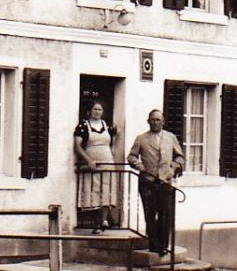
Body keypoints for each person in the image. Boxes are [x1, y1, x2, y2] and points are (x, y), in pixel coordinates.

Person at [127, 109, 184, 256]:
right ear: (148, 121)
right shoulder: (141, 138)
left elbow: (180, 157)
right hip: (148, 181)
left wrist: (174, 167)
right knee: (150, 214)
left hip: (165, 181)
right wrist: (138, 164)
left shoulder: (170, 138)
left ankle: (163, 245)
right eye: (152, 119)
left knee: (165, 214)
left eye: (158, 120)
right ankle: (154, 245)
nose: (155, 122)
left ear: (163, 121)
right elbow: (131, 156)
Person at [72, 101, 118, 232]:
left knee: (106, 189)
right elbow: (77, 146)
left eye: (100, 110)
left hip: (107, 161)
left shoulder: (107, 125)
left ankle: (104, 220)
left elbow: (111, 143)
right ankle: (94, 223)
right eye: (95, 109)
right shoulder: (83, 126)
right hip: (92, 163)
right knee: (93, 190)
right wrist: (89, 161)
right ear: (89, 111)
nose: (97, 112)